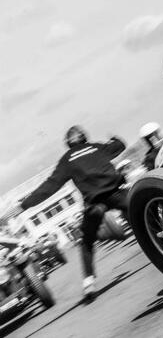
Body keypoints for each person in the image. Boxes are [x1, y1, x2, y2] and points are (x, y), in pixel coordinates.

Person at [0, 126, 128, 299]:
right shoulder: (97, 147)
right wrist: (114, 138)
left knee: (86, 243)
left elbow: (50, 186)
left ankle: (89, 283)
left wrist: (22, 206)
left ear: (68, 144)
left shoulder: (67, 160)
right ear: (84, 138)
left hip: (94, 205)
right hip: (117, 195)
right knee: (143, 207)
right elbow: (120, 146)